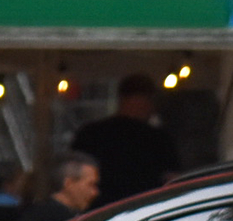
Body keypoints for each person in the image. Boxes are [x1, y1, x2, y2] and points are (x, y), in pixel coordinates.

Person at [69, 74, 181, 205]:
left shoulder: (90, 133)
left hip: (98, 212)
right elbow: (172, 181)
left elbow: (71, 174)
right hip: (143, 212)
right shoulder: (157, 138)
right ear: (144, 101)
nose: (152, 108)